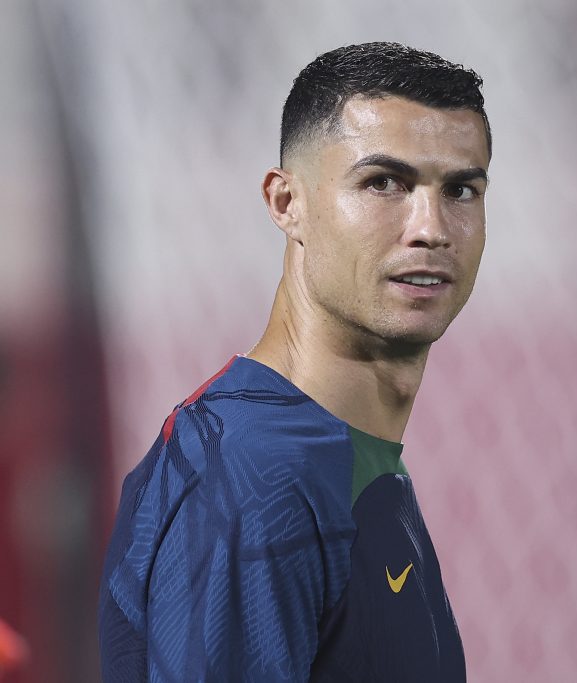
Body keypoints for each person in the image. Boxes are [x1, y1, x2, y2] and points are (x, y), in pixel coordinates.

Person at [98, 42, 491, 682]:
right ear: (287, 203)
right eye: (383, 183)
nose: (432, 228)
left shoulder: (338, 454)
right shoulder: (253, 477)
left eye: (461, 190)